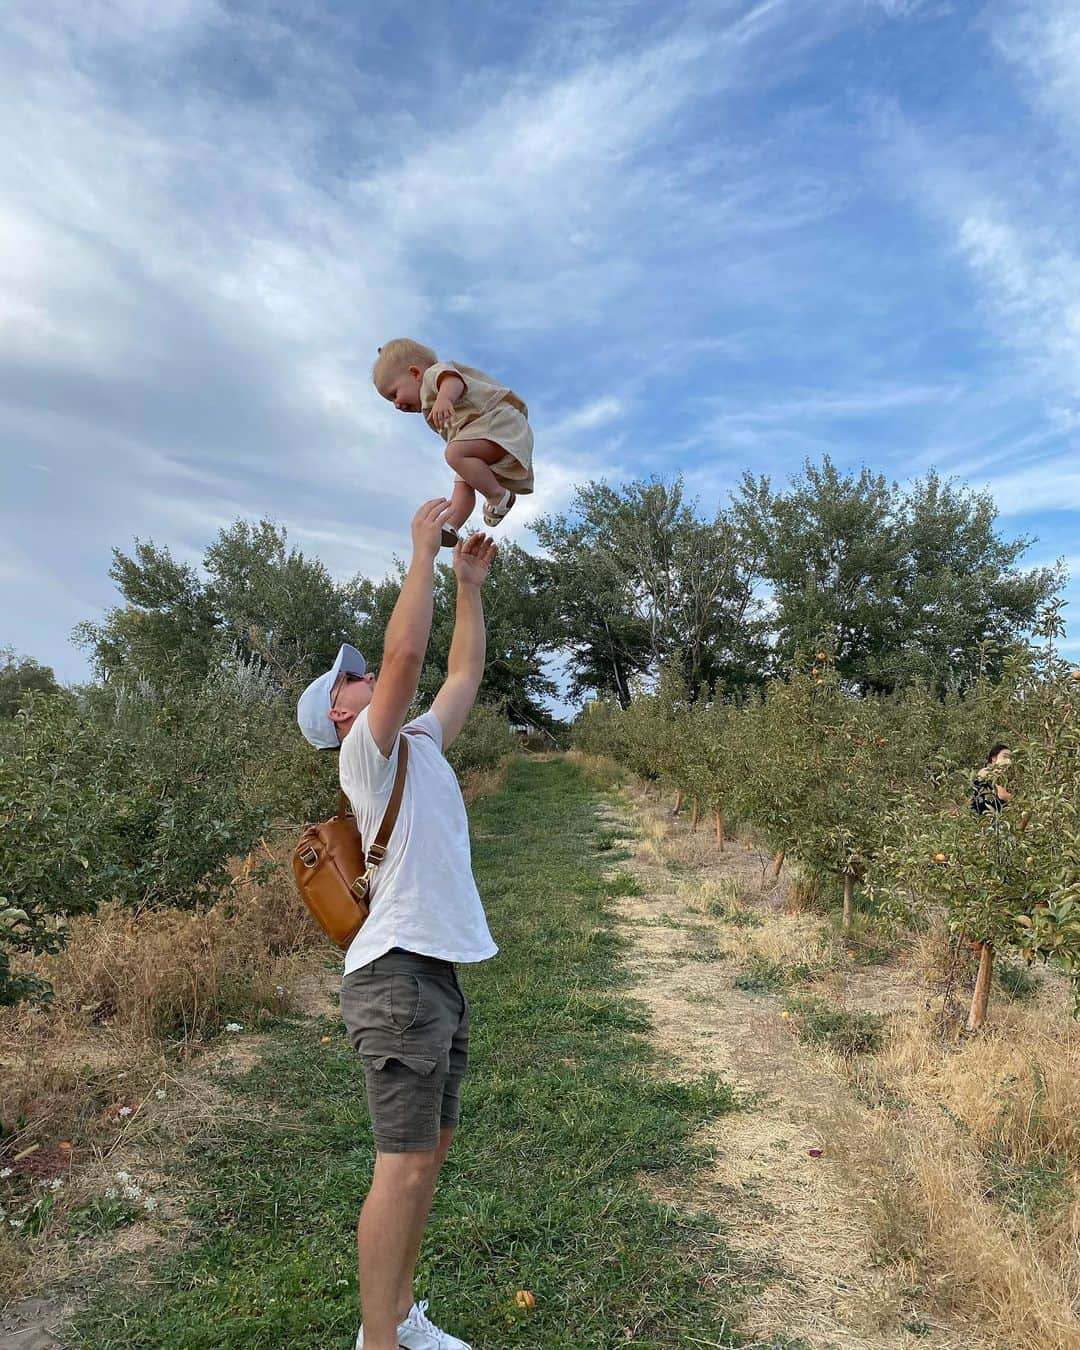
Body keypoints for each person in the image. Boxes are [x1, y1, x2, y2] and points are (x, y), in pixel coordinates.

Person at [296, 499, 499, 1350]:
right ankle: (377, 1342)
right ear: (340, 716)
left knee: (427, 1163)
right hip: (397, 978)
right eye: (351, 679)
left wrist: (468, 586)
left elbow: (458, 677)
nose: (364, 676)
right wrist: (422, 548)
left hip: (433, 974)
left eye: (357, 670)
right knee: (403, 1164)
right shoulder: (364, 755)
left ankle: (399, 1318)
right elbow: (407, 654)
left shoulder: (417, 743)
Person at [372, 339, 534, 548]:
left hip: (497, 422)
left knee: (454, 454)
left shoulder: (434, 375)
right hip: (479, 433)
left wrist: (444, 398)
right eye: (390, 400)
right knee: (462, 483)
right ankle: (450, 525)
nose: (396, 404)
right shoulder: (430, 400)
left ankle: (498, 495)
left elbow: (452, 380)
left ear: (414, 373)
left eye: (394, 393)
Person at [972, 742, 1012, 815]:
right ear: (994, 758)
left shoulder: (983, 771)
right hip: (990, 813)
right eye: (1005, 756)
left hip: (978, 812)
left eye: (1009, 758)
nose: (1008, 760)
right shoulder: (996, 772)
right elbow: (1002, 795)